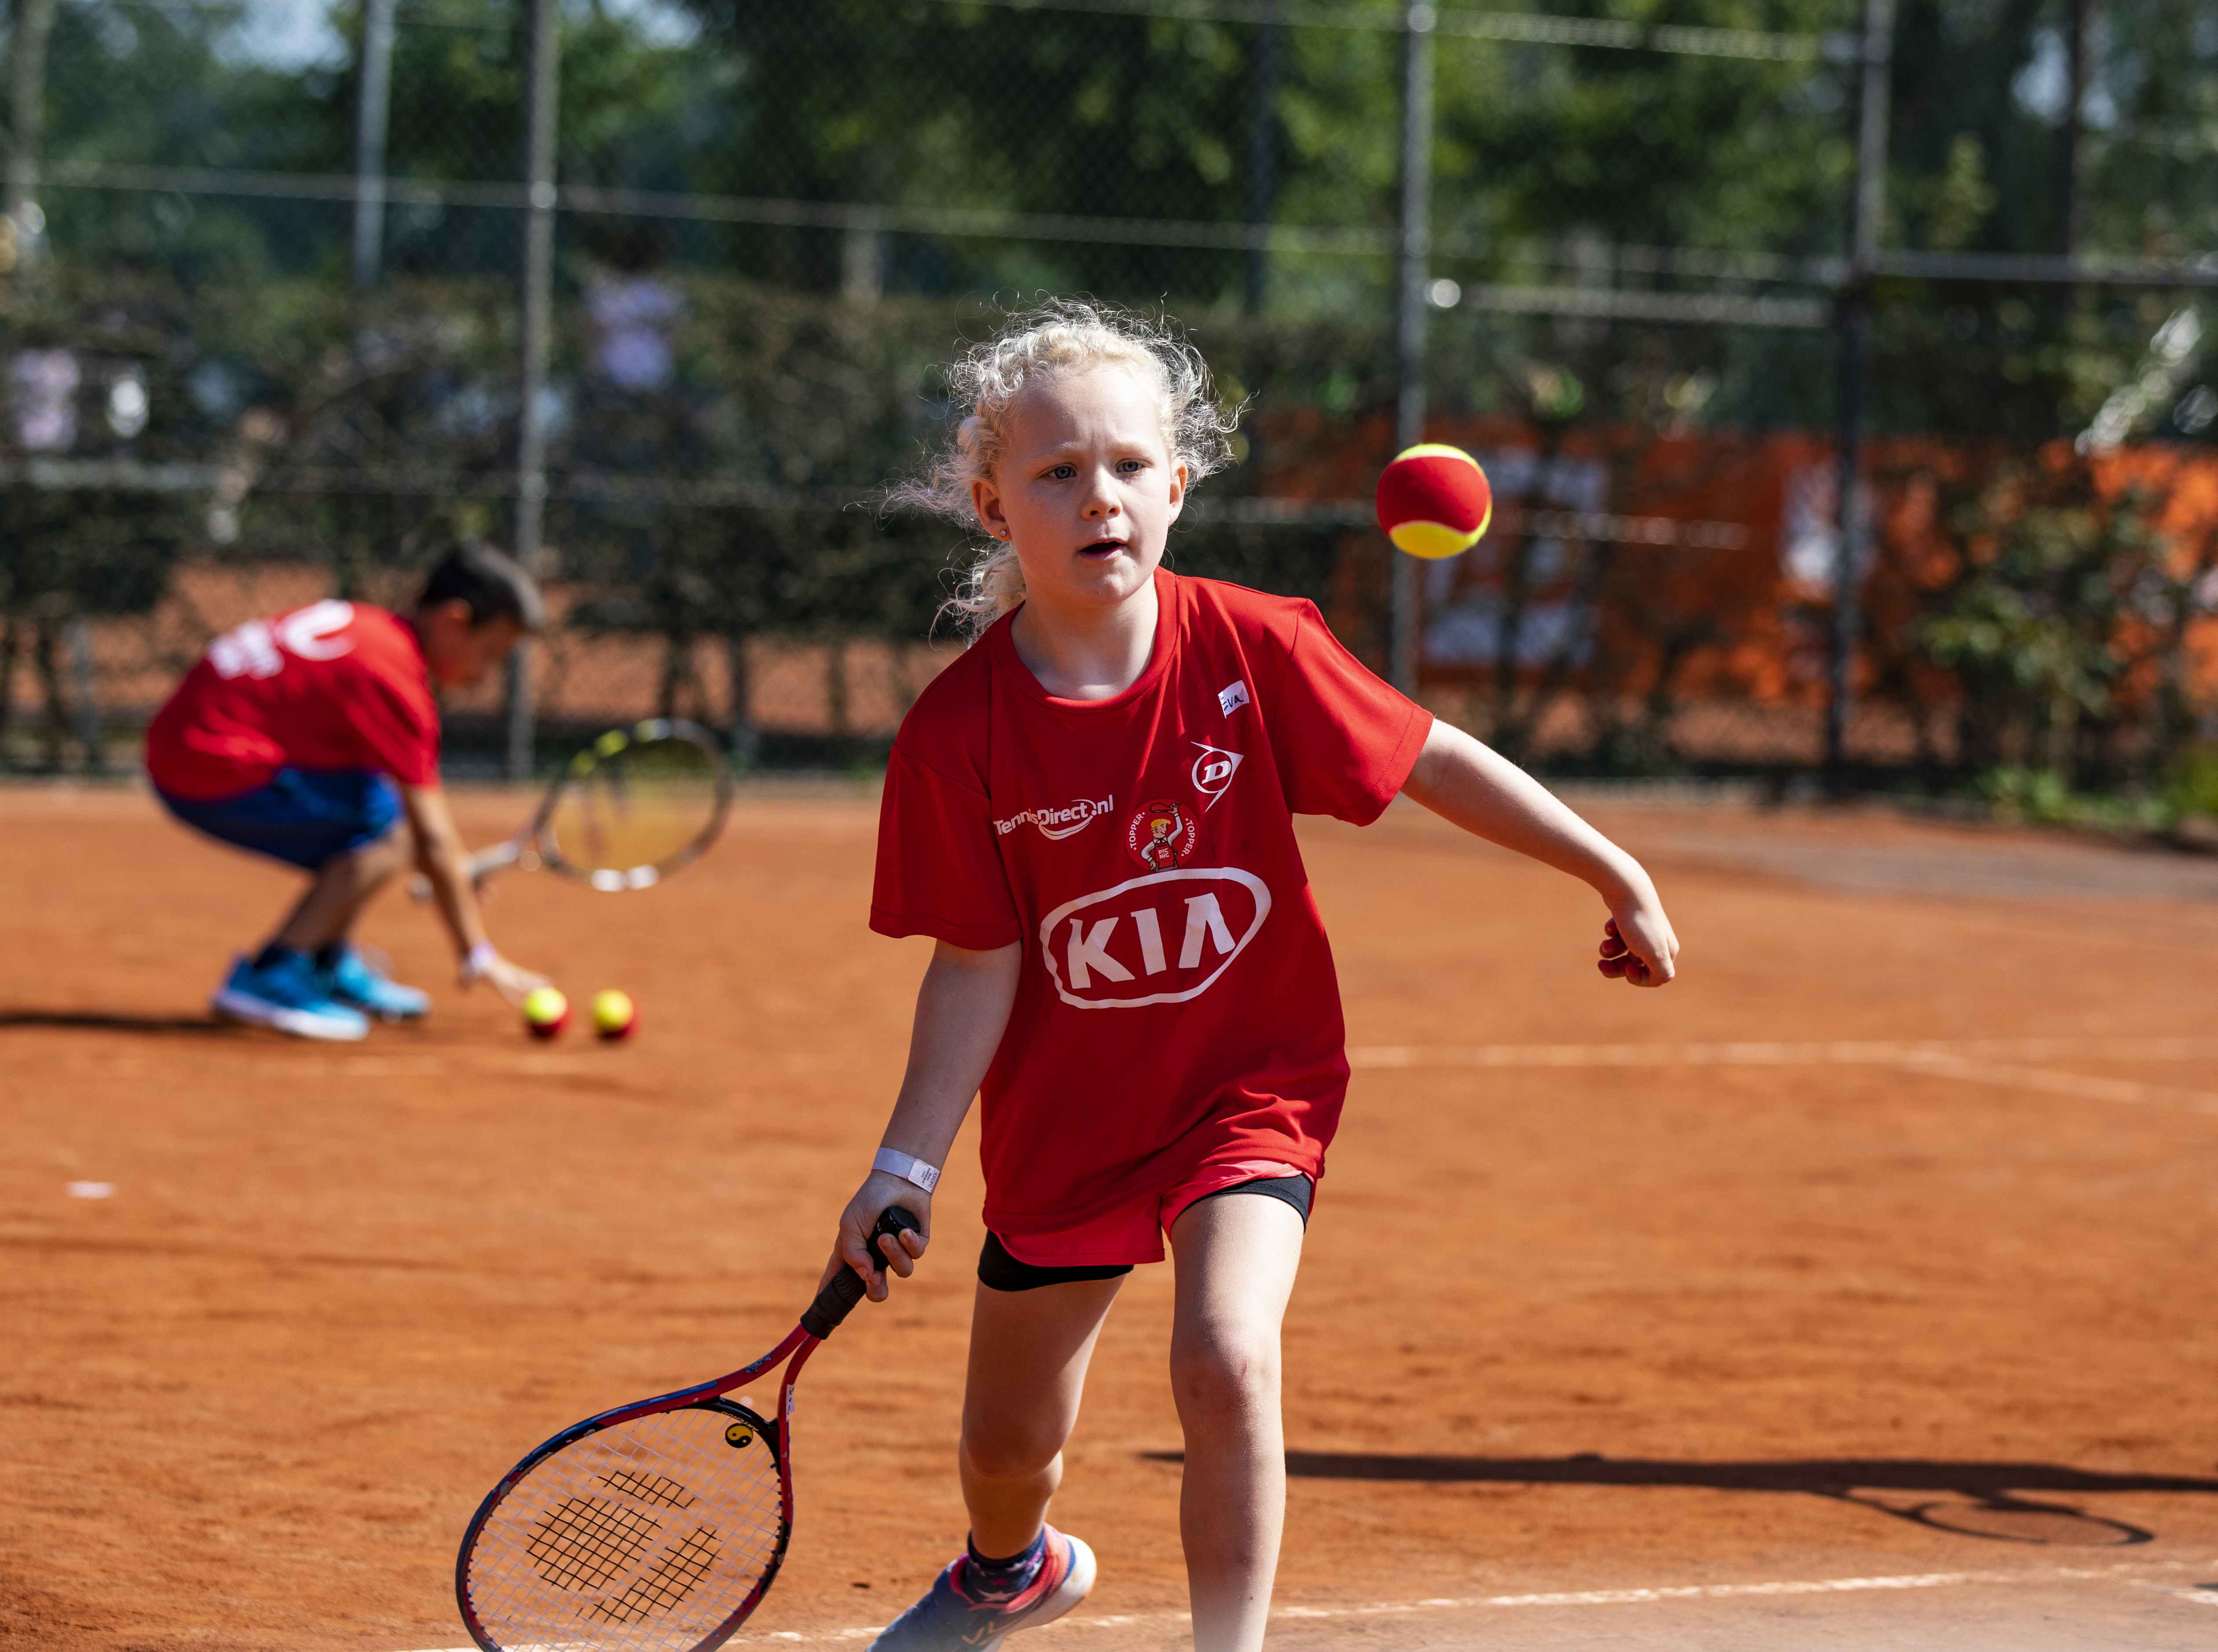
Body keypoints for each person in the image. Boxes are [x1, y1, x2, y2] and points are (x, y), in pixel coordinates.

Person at [828, 302, 1680, 1652]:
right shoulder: (957, 738)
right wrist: (907, 1166)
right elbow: (977, 962)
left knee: (1225, 1356)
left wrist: (1608, 866)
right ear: (996, 510)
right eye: (1054, 473)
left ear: (1174, 485)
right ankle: (1011, 1570)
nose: (1094, 495)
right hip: (1069, 1129)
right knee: (1005, 1451)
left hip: (1248, 1090)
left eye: (1124, 465)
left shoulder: (1249, 646)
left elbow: (1426, 753)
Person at [145, 543, 553, 1041]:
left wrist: (442, 869)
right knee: (390, 830)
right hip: (206, 765)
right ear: (452, 621)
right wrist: (477, 953)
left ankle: (325, 960)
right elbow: (430, 832)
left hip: (189, 744)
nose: (485, 673)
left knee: (378, 810)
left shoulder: (368, 627)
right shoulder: (394, 678)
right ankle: (273, 974)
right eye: (490, 653)